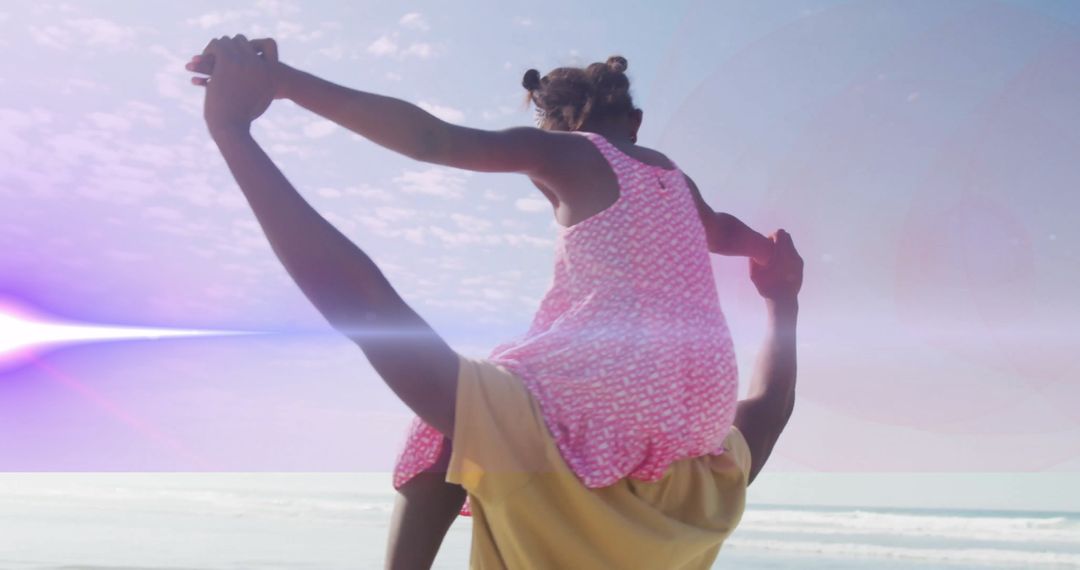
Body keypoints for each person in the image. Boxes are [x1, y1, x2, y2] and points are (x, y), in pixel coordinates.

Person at [185, 35, 800, 569]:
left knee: (450, 422)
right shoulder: (676, 180)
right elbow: (720, 229)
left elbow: (431, 139)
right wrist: (767, 262)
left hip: (606, 383)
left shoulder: (574, 153)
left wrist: (285, 83)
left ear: (550, 135)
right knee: (481, 403)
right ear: (635, 123)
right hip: (697, 412)